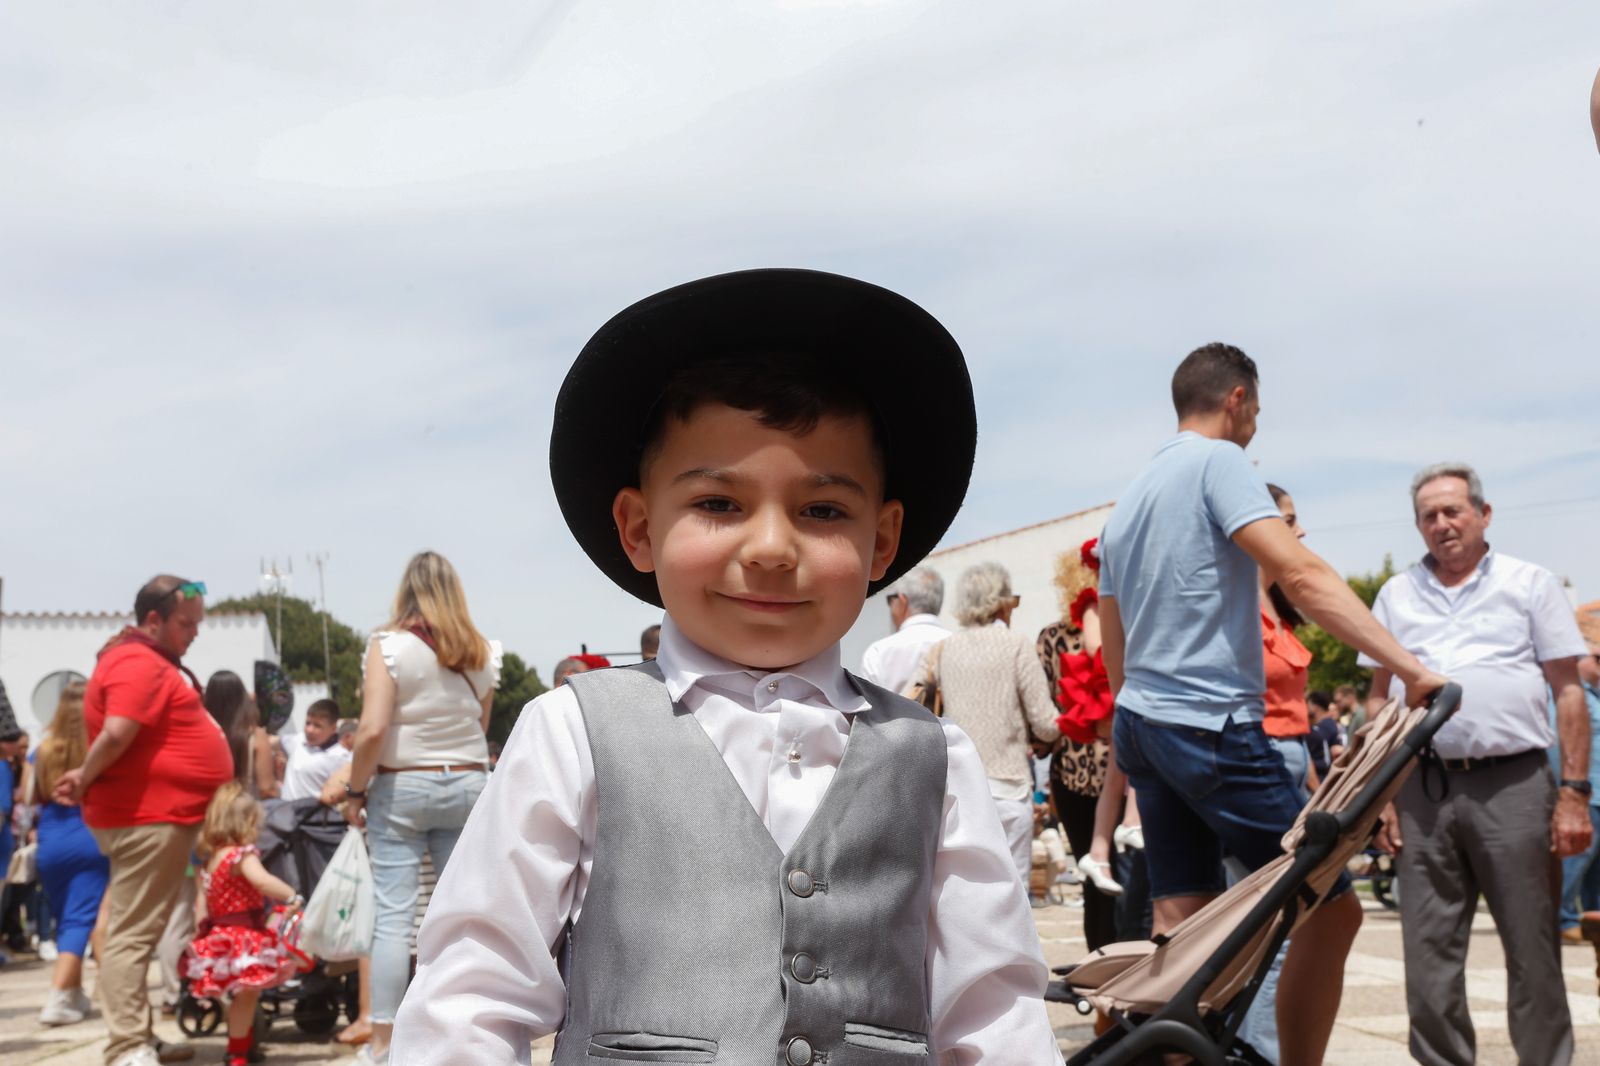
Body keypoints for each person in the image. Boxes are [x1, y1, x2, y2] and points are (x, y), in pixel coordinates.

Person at [392, 268, 1061, 1064]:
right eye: (718, 503)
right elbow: (474, 990)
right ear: (639, 527)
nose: (772, 548)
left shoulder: (935, 757)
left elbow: (994, 1015)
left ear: (882, 540)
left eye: (822, 511)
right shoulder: (574, 731)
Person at [1098, 343, 1445, 1066]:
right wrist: (1409, 668)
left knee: (1182, 920)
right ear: (1238, 400)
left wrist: (1137, 715)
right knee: (1331, 909)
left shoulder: (1130, 499)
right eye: (1255, 410)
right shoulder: (1220, 463)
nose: (1255, 424)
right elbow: (1300, 571)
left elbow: (1113, 633)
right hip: (1208, 726)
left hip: (1143, 723)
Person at [1366, 462, 1590, 1066]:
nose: (1441, 525)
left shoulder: (1530, 583)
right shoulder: (1395, 594)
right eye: (1428, 516)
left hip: (1515, 785)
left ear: (1483, 514)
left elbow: (1569, 691)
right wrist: (1381, 793)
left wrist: (1572, 792)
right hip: (1422, 789)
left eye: (1452, 511)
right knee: (1428, 958)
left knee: (1533, 953)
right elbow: (1376, 697)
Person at [56, 575, 233, 1066]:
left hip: (158, 816)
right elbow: (117, 733)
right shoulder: (136, 660)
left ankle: (137, 1037)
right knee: (133, 935)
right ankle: (127, 1045)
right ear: (153, 620)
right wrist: (85, 775)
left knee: (140, 933)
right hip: (149, 818)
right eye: (185, 623)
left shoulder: (147, 659)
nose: (194, 633)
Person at [341, 551, 501, 1064]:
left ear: (405, 591)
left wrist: (354, 789)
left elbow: (371, 729)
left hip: (403, 787)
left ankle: (384, 1042)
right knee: (458, 913)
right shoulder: (483, 652)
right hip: (469, 784)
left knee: (393, 917)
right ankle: (457, 1026)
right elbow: (478, 728)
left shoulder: (388, 646)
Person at [917, 562, 1062, 886]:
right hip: (1008, 789)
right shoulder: (1016, 645)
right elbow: (1046, 725)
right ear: (1000, 601)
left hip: (958, 791)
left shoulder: (943, 649)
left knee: (964, 897)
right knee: (1013, 894)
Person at [181, 782, 308, 1066]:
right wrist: (291, 894)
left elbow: (202, 904)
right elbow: (261, 880)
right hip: (244, 936)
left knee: (242, 996)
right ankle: (237, 1052)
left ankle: (244, 1045)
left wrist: (200, 932)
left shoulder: (212, 858)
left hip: (220, 933)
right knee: (247, 997)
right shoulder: (242, 854)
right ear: (248, 821)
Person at [29, 681, 110, 1025]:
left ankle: (74, 995)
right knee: (81, 919)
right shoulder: (98, 749)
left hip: (51, 841)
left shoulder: (42, 750)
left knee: (67, 918)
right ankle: (59, 996)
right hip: (89, 838)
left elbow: (30, 797)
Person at [1260, 484, 1316, 797]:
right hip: (1260, 768)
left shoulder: (1278, 605)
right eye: (1290, 521)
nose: (1302, 532)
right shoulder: (1234, 608)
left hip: (1293, 763)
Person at [1553, 648, 1600, 943]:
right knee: (1575, 860)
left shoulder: (1594, 695)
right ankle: (1562, 920)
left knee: (1595, 867)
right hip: (1584, 792)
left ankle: (1592, 920)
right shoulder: (1565, 696)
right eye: (1597, 658)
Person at [860, 566, 950, 695]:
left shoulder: (879, 652)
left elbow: (869, 711)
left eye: (890, 600)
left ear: (902, 601)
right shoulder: (959, 646)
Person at [202, 671, 275, 798]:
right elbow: (266, 788)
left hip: (208, 811)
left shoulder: (201, 734)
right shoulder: (255, 735)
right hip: (243, 812)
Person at [277, 700, 352, 802]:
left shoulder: (340, 756)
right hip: (286, 813)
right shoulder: (298, 741)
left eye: (317, 726)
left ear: (333, 728)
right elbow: (267, 741)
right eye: (308, 723)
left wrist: (344, 787)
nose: (310, 730)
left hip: (313, 815)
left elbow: (348, 787)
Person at [1305, 691, 1344, 780]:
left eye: (1307, 704)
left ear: (1315, 707)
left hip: (1323, 776)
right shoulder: (1329, 724)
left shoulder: (1323, 727)